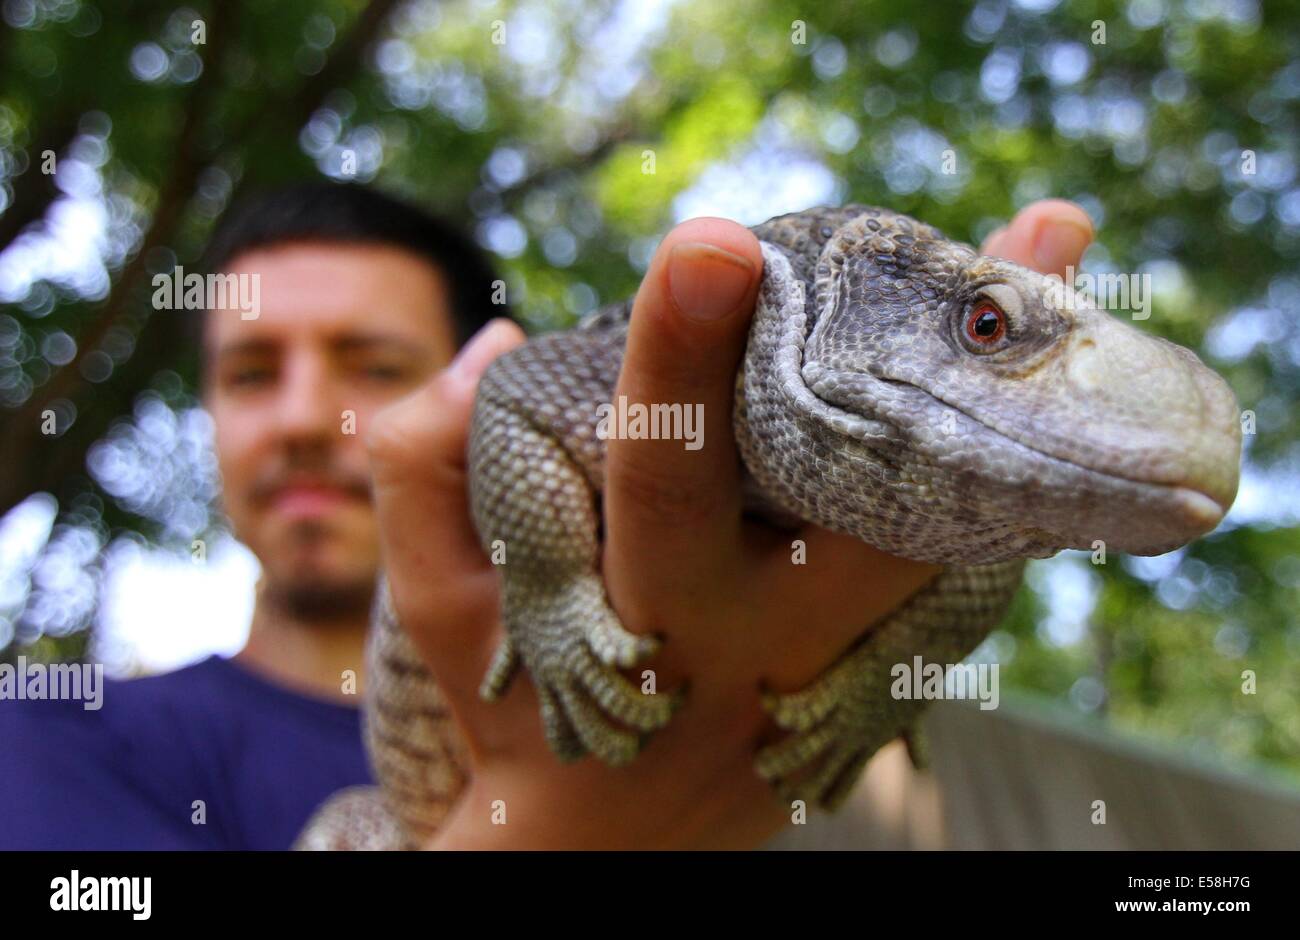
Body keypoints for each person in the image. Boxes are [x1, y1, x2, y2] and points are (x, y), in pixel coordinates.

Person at [0, 182, 1094, 849]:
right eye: (247, 374)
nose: (302, 418)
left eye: (372, 363)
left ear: (480, 369)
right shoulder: (57, 738)